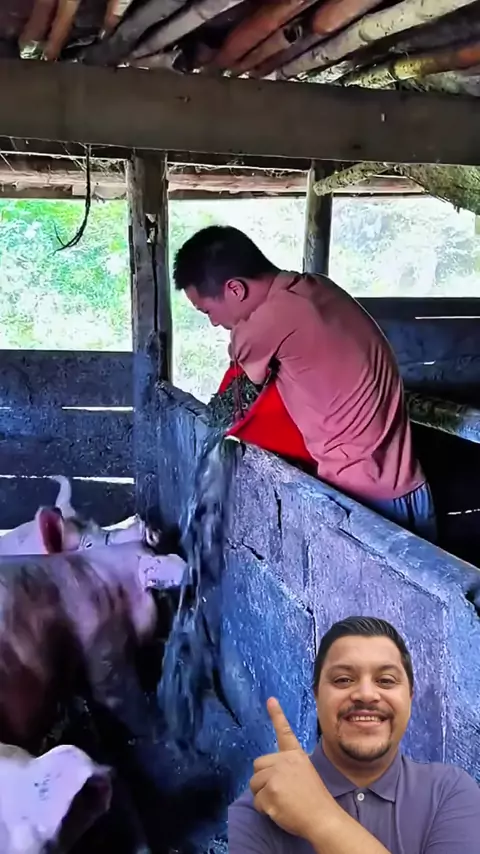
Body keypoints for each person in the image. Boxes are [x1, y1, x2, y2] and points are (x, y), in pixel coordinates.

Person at [174, 226, 437, 543]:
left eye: (207, 311)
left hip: (365, 508)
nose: (215, 322)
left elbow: (236, 398)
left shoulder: (268, 320)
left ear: (235, 289)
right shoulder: (318, 287)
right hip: (411, 491)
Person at [228, 616, 480, 853]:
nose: (366, 694)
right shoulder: (262, 808)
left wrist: (319, 817)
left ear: (410, 696)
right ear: (316, 695)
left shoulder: (449, 793)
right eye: (343, 680)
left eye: (386, 680)